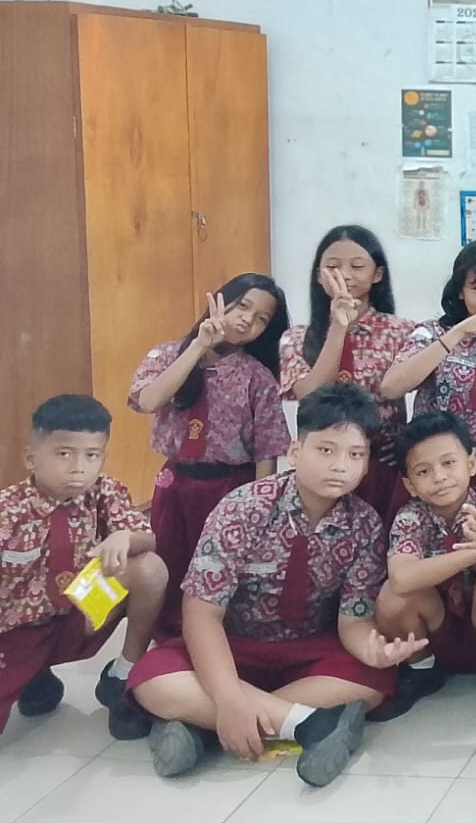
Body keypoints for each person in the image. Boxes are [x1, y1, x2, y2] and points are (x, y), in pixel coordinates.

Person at [128, 385, 425, 787]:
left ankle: (201, 726)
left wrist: (372, 649)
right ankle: (309, 725)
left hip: (305, 650)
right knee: (152, 678)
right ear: (295, 451)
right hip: (233, 644)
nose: (340, 466)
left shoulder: (366, 524)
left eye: (356, 455)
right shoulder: (243, 507)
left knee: (373, 682)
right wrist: (229, 696)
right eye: (326, 450)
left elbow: (353, 620)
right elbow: (201, 614)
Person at [128, 272, 289, 632]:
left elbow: (267, 451)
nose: (247, 319)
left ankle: (213, 636)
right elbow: (148, 400)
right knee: (170, 560)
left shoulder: (257, 377)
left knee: (220, 569)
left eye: (261, 318)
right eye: (242, 306)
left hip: (229, 488)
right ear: (220, 300)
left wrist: (259, 509)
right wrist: (198, 347)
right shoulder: (167, 354)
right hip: (176, 482)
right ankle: (168, 639)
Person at [0, 394, 167, 740]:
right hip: (18, 631)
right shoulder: (8, 511)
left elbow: (147, 539)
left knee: (149, 568)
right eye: (64, 454)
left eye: (91, 455)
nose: (79, 467)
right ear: (31, 458)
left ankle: (122, 676)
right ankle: (35, 679)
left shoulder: (104, 491)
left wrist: (125, 537)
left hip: (80, 614)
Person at [376, 412, 476, 718]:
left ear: (471, 464)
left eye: (448, 463)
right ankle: (422, 668)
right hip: (439, 625)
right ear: (409, 484)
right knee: (391, 596)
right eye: (423, 471)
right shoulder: (411, 515)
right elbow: (402, 578)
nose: (439, 477)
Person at [380, 239, 476, 496]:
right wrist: (460, 331)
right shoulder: (432, 333)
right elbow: (391, 387)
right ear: (461, 291)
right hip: (434, 470)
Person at [278, 225, 414, 519]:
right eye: (333, 266)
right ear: (318, 275)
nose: (345, 275)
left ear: (377, 274)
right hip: (321, 466)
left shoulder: (402, 332)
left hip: (383, 467)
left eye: (357, 266)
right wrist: (339, 326)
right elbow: (311, 395)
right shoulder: (297, 337)